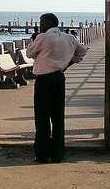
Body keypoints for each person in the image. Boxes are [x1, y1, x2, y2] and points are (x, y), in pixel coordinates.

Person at [25, 13, 87, 164]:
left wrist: (38, 44)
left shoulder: (43, 37)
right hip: (59, 78)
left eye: (42, 22)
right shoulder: (69, 38)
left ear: (48, 23)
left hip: (44, 80)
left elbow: (29, 53)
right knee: (58, 117)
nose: (40, 25)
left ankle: (42, 154)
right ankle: (58, 154)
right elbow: (82, 52)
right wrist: (67, 64)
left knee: (42, 118)